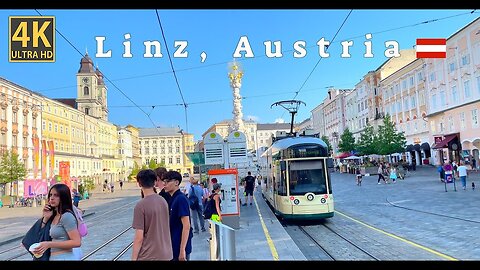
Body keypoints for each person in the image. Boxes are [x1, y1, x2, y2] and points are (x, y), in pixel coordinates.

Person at [32, 183, 82, 260]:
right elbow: (40, 234)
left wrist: (49, 244)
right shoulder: (55, 216)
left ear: (63, 197)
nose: (52, 198)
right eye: (51, 195)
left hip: (65, 257)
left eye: (56, 195)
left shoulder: (66, 216)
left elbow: (76, 242)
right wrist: (45, 218)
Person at [131, 169, 172, 260]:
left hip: (149, 255)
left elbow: (139, 237)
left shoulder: (140, 206)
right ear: (154, 182)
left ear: (139, 184)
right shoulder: (163, 201)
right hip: (166, 253)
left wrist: (133, 258)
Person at [163, 170, 193, 261]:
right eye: (164, 182)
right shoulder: (172, 198)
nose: (165, 184)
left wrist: (182, 249)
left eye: (167, 182)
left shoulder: (180, 199)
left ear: (176, 182)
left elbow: (186, 225)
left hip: (179, 246)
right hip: (173, 245)